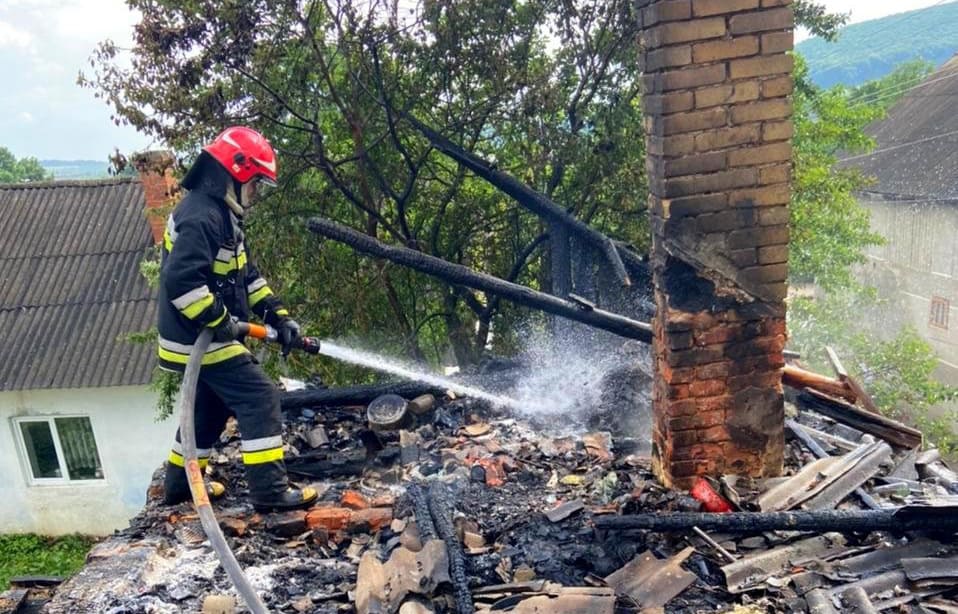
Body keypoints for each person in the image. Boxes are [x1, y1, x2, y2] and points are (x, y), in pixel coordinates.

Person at [157, 126, 317, 512]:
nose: (257, 192)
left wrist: (279, 318)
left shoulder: (222, 216)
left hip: (205, 335)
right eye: (256, 183)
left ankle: (179, 486)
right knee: (259, 397)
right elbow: (181, 282)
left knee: (208, 410)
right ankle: (270, 493)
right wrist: (220, 319)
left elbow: (247, 278)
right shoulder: (202, 217)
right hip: (197, 338)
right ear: (237, 173)